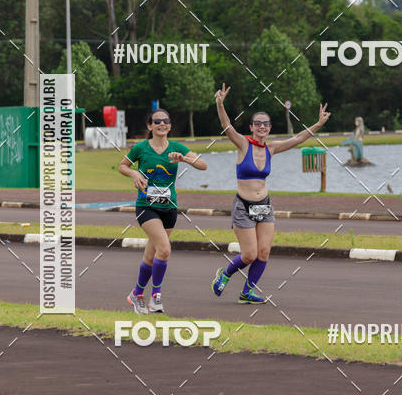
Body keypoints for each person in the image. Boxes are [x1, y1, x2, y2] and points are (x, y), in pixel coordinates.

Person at [211, 83, 331, 304]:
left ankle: (247, 293)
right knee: (249, 254)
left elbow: (298, 139)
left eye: (265, 124)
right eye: (257, 124)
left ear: (270, 127)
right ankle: (225, 274)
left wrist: (318, 123)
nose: (262, 127)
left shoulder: (271, 148)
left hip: (264, 206)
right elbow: (226, 126)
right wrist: (220, 104)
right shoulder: (243, 144)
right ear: (251, 127)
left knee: (264, 252)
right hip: (243, 206)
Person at [118, 108, 207, 314]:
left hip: (169, 208)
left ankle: (136, 294)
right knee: (165, 249)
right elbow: (122, 166)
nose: (161, 124)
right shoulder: (140, 148)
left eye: (165, 121)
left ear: (170, 125)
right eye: (157, 121)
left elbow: (203, 165)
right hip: (146, 206)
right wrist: (134, 174)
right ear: (150, 126)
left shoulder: (177, 147)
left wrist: (184, 159)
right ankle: (155, 297)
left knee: (152, 255)